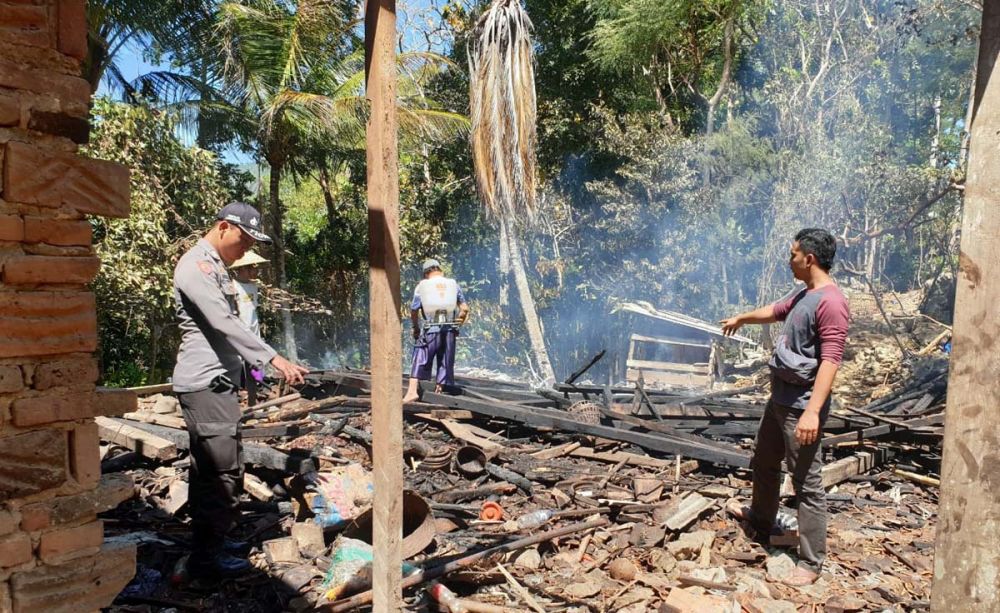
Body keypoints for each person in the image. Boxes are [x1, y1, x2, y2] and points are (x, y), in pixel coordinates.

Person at [172, 202, 308, 578]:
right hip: (204, 382)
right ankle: (205, 561)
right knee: (220, 473)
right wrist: (273, 359)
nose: (245, 248)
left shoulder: (215, 265)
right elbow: (224, 322)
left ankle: (213, 543)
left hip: (218, 383)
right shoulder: (196, 266)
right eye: (243, 239)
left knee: (218, 469)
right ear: (222, 227)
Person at [719, 228, 850, 587]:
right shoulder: (804, 294)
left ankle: (810, 562)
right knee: (763, 461)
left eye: (792, 255)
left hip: (801, 406)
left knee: (806, 483)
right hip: (779, 400)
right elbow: (775, 311)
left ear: (809, 258)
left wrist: (812, 412)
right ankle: (761, 520)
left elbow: (831, 361)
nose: (788, 260)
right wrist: (742, 318)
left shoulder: (832, 302)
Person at [403, 259, 470, 402]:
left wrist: (416, 328)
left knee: (420, 358)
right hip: (449, 329)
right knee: (446, 361)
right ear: (439, 269)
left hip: (430, 328)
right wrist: (458, 323)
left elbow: (414, 310)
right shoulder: (453, 285)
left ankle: (412, 392)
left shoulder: (422, 286)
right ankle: (439, 391)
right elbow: (464, 309)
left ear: (426, 273)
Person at [229, 250, 269, 407]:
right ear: (243, 269)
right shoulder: (233, 287)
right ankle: (236, 397)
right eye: (253, 267)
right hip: (238, 334)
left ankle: (256, 393)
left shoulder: (253, 287)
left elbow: (252, 310)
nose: (256, 270)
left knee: (256, 365)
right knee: (237, 366)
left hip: (254, 332)